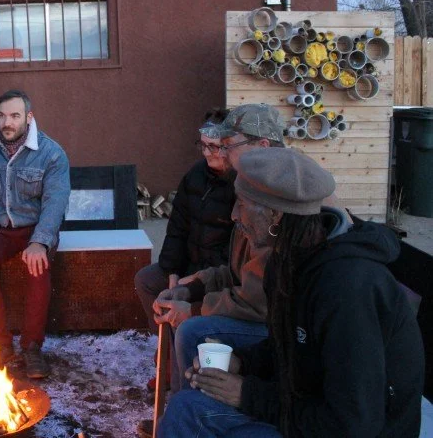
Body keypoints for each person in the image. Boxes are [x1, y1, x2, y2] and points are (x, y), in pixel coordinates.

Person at [159, 147, 424, 437]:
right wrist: (243, 363)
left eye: (242, 204)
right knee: (191, 403)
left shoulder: (347, 289)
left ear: (275, 216)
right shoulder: (288, 263)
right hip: (309, 406)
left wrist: (247, 394)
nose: (234, 214)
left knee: (189, 413)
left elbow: (352, 424)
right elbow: (290, 347)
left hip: (357, 429)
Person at [152, 104, 286, 395]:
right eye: (213, 145)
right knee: (165, 293)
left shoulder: (279, 201)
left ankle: (190, 410)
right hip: (242, 297)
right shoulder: (250, 186)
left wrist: (196, 308)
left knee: (190, 329)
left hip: (278, 325)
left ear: (262, 146)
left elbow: (258, 299)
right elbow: (237, 268)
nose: (219, 153)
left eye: (228, 146)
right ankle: (176, 393)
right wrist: (193, 285)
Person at [0, 89, 70, 378]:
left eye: (14, 115)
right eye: (2, 116)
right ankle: (0, 343)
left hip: (35, 230)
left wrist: (40, 241)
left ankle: (32, 348)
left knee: (38, 269)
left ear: (28, 117)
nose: (7, 122)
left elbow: (55, 204)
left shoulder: (50, 153)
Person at [135, 108, 235, 336]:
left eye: (214, 147)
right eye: (203, 145)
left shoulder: (241, 184)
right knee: (147, 280)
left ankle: (180, 353)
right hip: (188, 265)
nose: (207, 153)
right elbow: (177, 228)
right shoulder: (195, 176)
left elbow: (235, 253)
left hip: (218, 275)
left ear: (230, 146)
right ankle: (164, 352)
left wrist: (196, 280)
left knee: (183, 305)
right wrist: (172, 272)